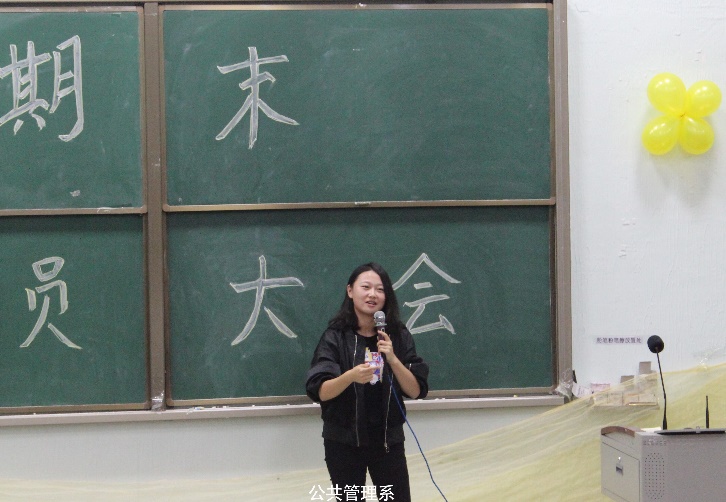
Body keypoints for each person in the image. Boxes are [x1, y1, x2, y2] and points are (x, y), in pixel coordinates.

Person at [306, 262, 429, 502]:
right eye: (366, 287)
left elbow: (416, 391)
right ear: (350, 291)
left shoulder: (397, 335)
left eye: (380, 289)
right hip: (344, 441)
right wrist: (350, 376)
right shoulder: (335, 336)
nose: (373, 294)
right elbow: (320, 390)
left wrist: (393, 359)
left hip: (387, 441)